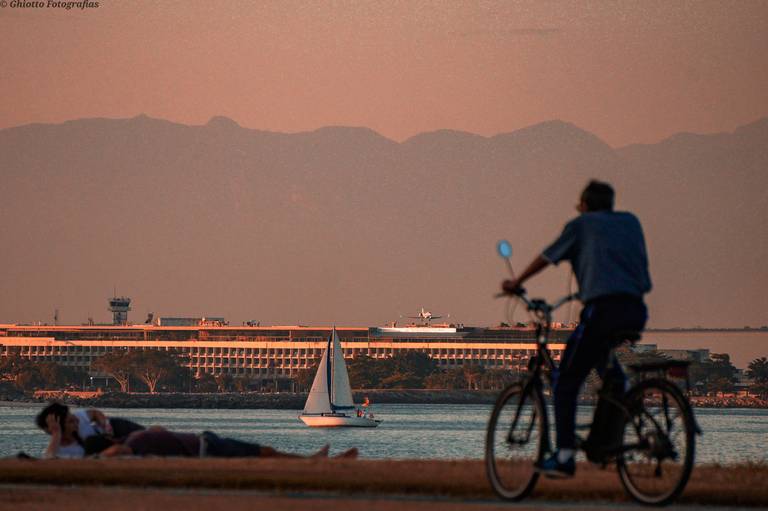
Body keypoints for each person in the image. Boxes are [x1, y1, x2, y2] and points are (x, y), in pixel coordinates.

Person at [502, 180, 651, 478]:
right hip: (635, 309)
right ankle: (611, 429)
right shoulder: (630, 221)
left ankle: (565, 456)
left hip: (603, 310)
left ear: (583, 205)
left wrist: (517, 282)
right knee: (607, 367)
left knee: (566, 382)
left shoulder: (581, 225)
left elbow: (546, 257)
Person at [99, 428, 357, 459]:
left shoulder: (135, 439)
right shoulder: (132, 443)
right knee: (264, 453)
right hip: (209, 449)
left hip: (209, 442)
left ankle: (310, 461)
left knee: (264, 453)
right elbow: (116, 451)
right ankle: (311, 462)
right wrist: (98, 460)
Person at [35, 402, 146, 458]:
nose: (76, 421)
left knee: (152, 433)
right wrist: (56, 433)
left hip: (116, 428)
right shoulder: (59, 448)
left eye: (73, 416)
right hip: (110, 444)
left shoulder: (78, 418)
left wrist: (105, 425)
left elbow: (95, 413)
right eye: (70, 421)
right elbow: (49, 459)